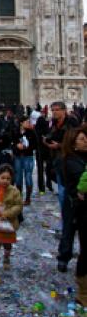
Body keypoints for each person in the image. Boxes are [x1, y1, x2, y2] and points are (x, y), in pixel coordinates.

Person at [58, 125, 87, 292]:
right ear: (73, 143)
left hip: (81, 205)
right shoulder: (70, 160)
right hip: (74, 204)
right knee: (69, 229)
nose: (86, 142)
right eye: (82, 139)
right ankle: (64, 257)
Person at [12, 116, 37, 205]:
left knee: (28, 177)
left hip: (28, 156)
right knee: (18, 177)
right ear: (21, 123)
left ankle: (28, 198)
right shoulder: (15, 132)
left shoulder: (32, 132)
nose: (28, 123)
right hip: (18, 156)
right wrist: (16, 146)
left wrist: (27, 147)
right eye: (26, 122)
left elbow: (35, 145)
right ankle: (19, 197)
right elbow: (12, 142)